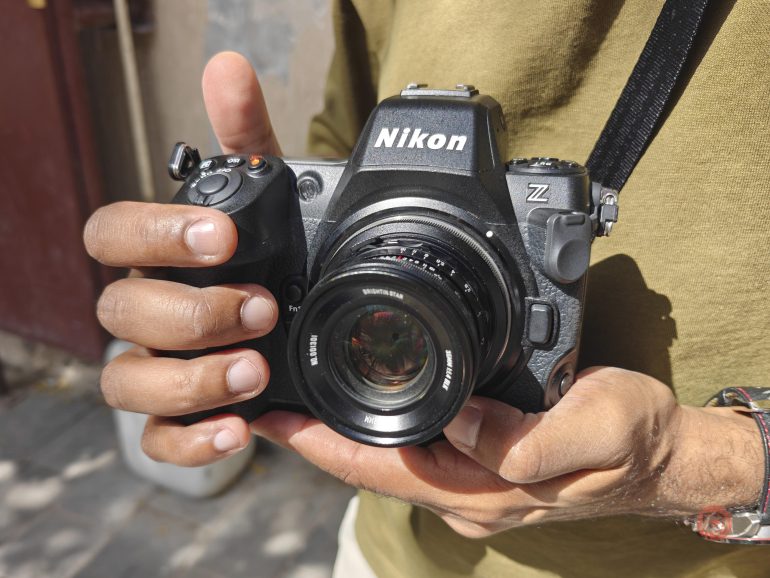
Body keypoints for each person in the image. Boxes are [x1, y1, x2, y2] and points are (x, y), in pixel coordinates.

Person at [83, 2, 770, 576]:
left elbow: (698, 461)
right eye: (389, 344)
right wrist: (241, 258)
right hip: (389, 555)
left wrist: (696, 461)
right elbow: (341, 138)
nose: (389, 340)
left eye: (392, 345)